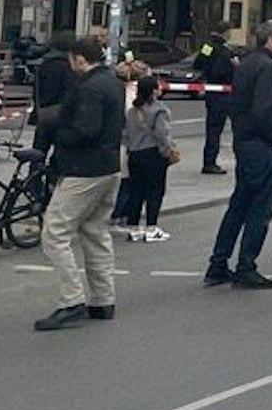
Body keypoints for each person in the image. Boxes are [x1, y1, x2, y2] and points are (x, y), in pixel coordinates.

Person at [35, 36, 125, 331]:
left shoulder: (88, 88)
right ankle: (102, 299)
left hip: (83, 169)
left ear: (79, 59)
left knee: (54, 232)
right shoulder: (112, 82)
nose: (70, 64)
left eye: (72, 59)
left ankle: (71, 300)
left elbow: (86, 129)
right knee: (95, 230)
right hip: (110, 166)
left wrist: (58, 136)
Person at [205, 19, 272, 290]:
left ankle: (218, 263)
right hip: (261, 146)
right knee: (260, 209)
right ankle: (246, 266)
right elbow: (262, 109)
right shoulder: (266, 67)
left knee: (239, 204)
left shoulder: (246, 64)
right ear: (271, 40)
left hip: (244, 143)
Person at [120, 75, 174, 243]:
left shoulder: (132, 110)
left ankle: (133, 228)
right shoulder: (159, 109)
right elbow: (162, 134)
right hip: (152, 154)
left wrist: (130, 148)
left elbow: (125, 135)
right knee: (155, 192)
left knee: (136, 192)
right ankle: (151, 227)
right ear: (153, 90)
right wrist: (166, 151)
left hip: (134, 154)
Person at [196, 24, 237, 174]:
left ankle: (209, 160)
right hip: (224, 93)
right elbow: (222, 70)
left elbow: (199, 63)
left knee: (212, 129)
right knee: (220, 129)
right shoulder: (224, 52)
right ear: (225, 33)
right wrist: (233, 67)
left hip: (212, 92)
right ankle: (210, 163)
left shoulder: (208, 46)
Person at [30, 29, 75, 159]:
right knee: (59, 155)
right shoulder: (67, 66)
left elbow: (36, 89)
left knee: (38, 153)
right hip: (60, 115)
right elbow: (70, 91)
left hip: (43, 113)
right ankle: (52, 177)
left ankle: (34, 177)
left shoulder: (44, 63)